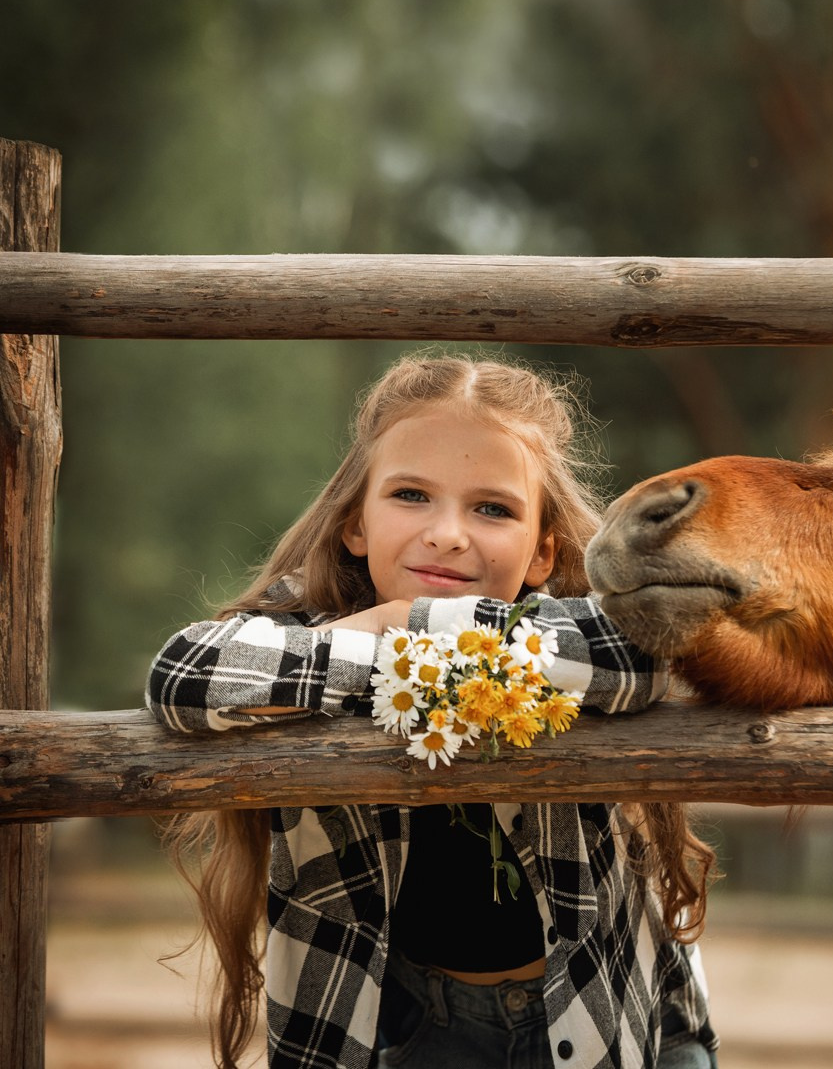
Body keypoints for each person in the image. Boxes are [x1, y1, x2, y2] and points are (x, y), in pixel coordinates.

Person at [147, 352, 718, 1069]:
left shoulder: (571, 629)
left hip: (596, 1013)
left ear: (542, 553)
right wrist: (389, 632)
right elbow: (187, 675)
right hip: (412, 1029)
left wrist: (406, 622)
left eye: (492, 508)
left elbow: (643, 655)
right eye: (411, 495)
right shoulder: (315, 620)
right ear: (356, 525)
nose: (448, 533)